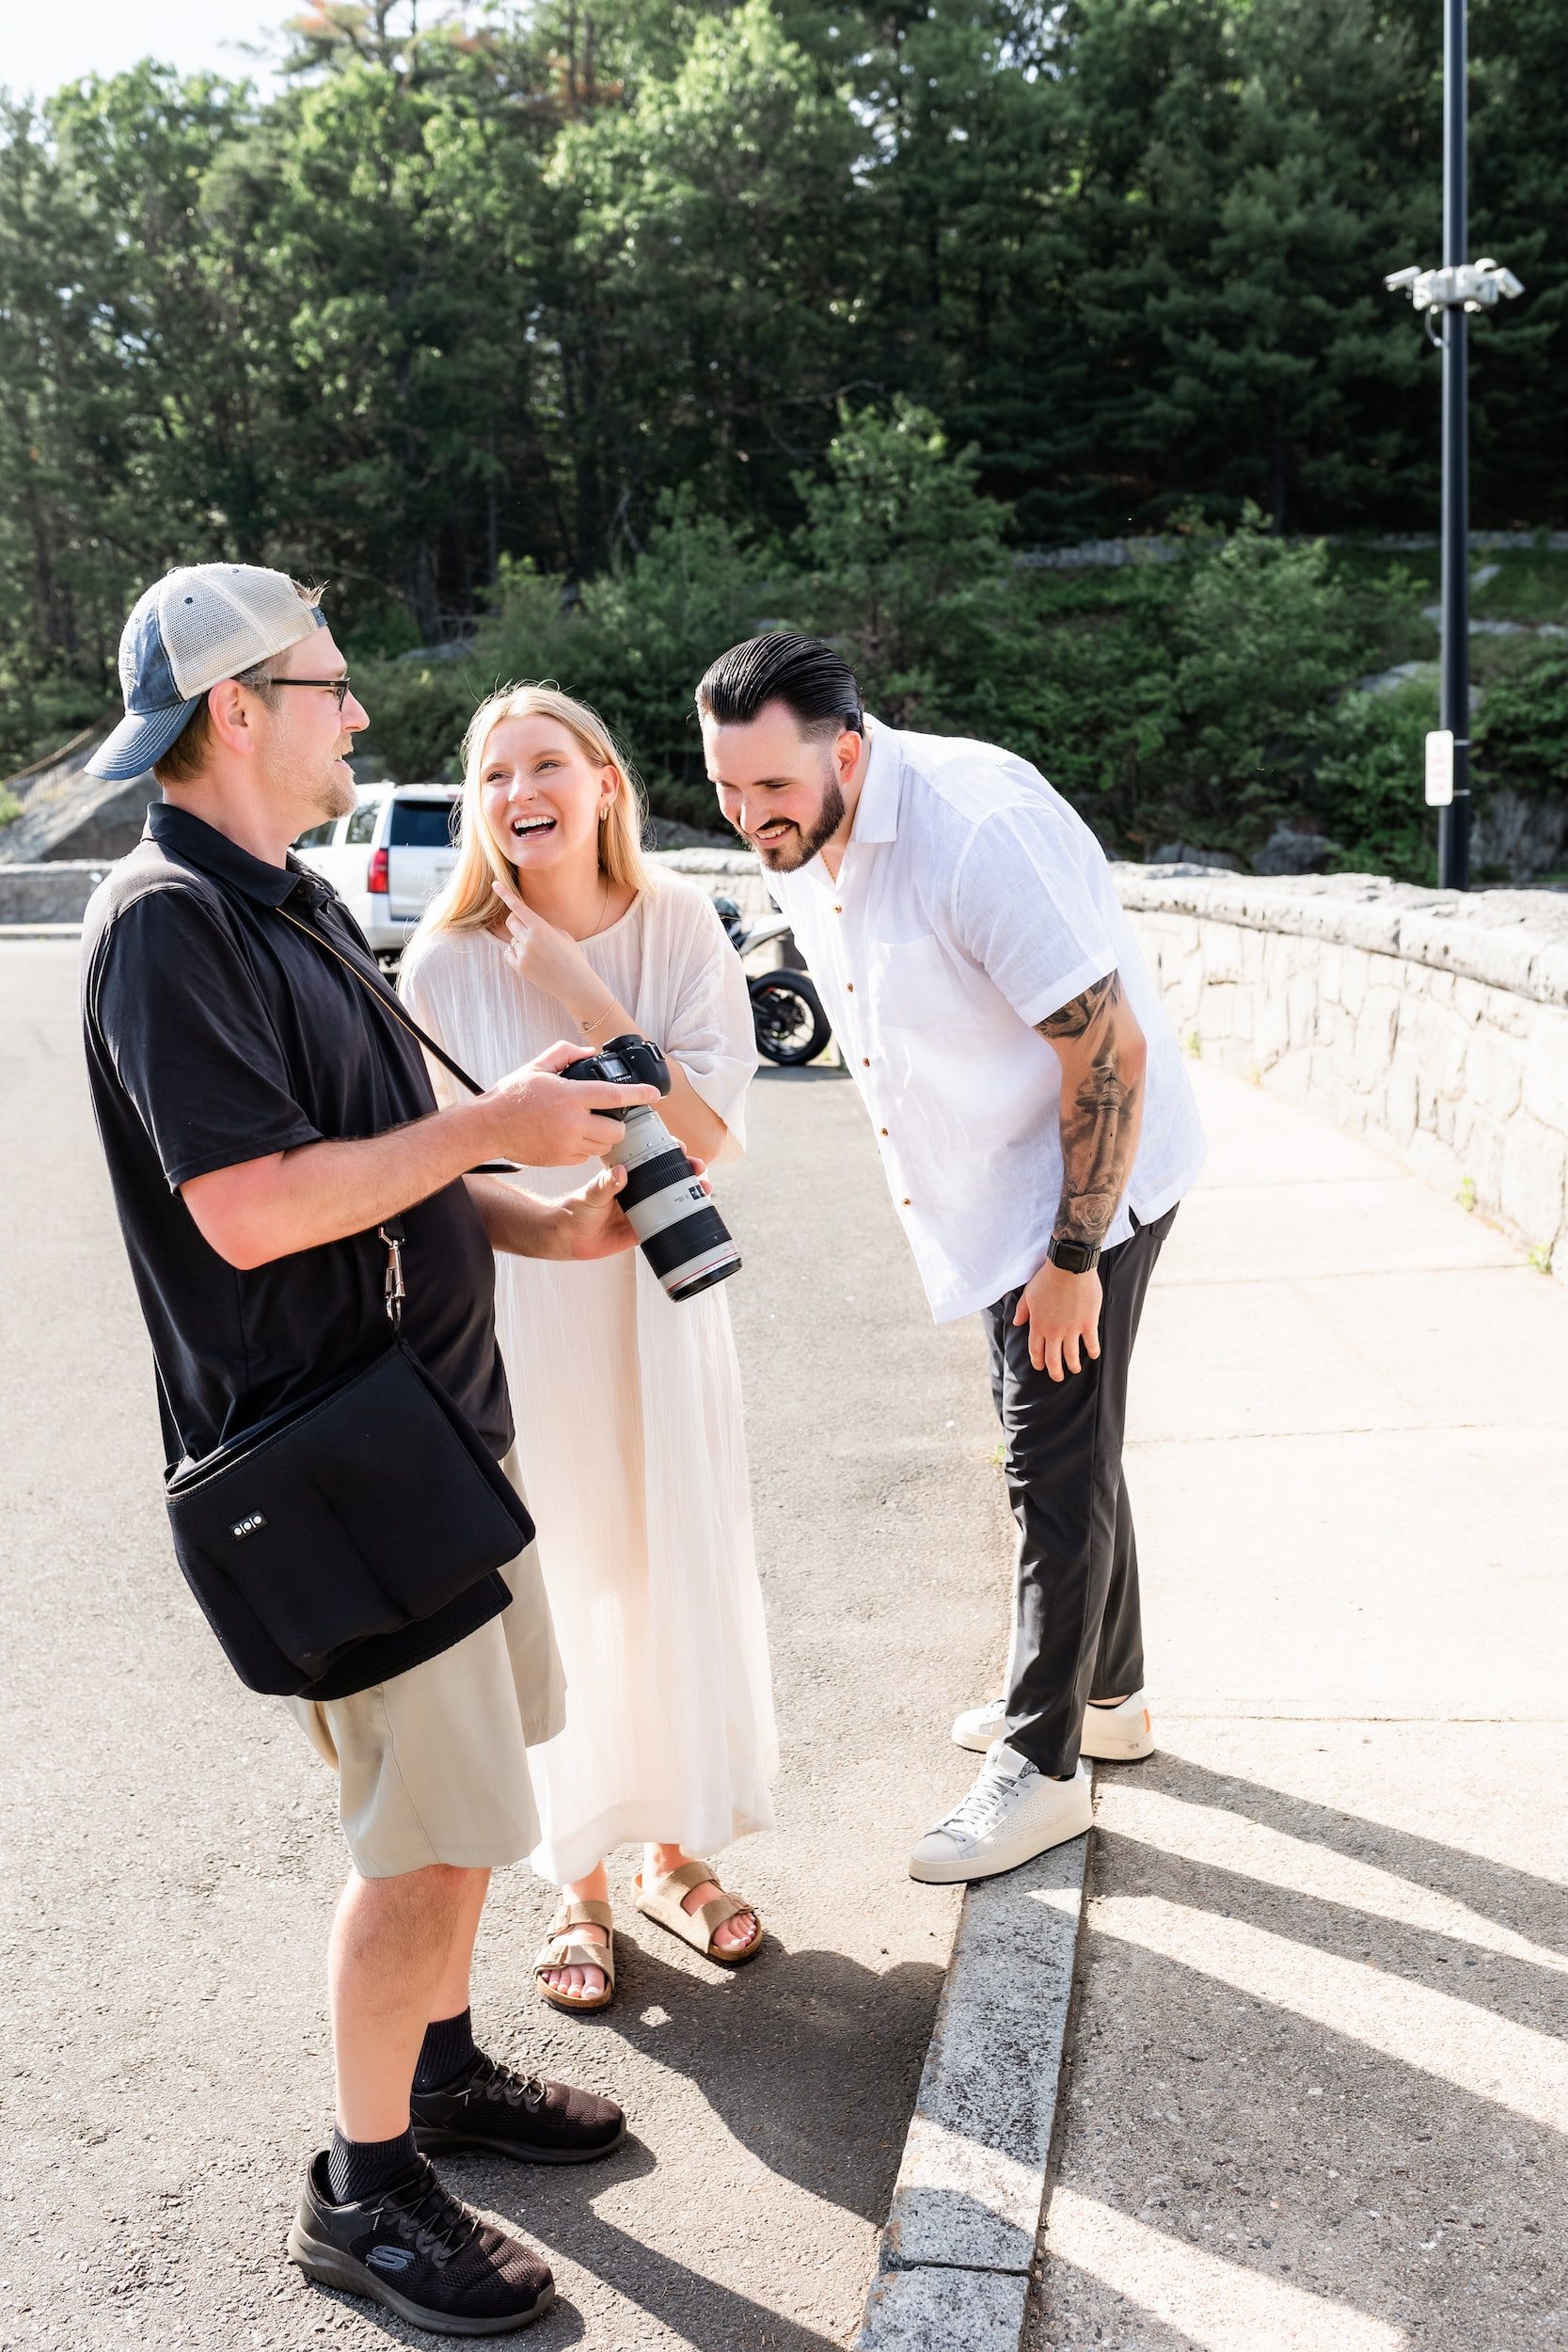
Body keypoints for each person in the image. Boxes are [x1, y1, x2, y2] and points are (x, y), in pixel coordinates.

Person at [79, 565, 671, 2337]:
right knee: (418, 1845)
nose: (358, 712)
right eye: (328, 686)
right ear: (234, 712)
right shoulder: (164, 924)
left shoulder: (291, 897)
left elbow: (386, 1163)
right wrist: (498, 1120)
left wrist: (530, 1214)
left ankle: (435, 2069)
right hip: (335, 1469)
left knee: (473, 1805)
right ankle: (364, 2189)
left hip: (428, 1438)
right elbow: (255, 1212)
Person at [697, 633, 1205, 1885]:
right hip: (992, 1200)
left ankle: (1041, 1769)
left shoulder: (974, 836)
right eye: (724, 788)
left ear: (849, 751)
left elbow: (1113, 1058)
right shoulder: (814, 834)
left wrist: (1071, 1259)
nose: (748, 815)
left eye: (771, 789)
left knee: (1049, 1455)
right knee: (1073, 1439)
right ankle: (1113, 1700)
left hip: (1084, 1191)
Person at [401, 685, 777, 2012]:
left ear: (605, 782)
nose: (517, 793)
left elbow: (713, 1134)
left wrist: (571, 982)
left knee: (664, 1556)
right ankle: (581, 1880)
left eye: (545, 763)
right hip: (523, 1303)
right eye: (492, 774)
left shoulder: (676, 924)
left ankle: (676, 1852)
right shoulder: (439, 965)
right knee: (561, 1576)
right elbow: (424, 1174)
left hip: (661, 1305)